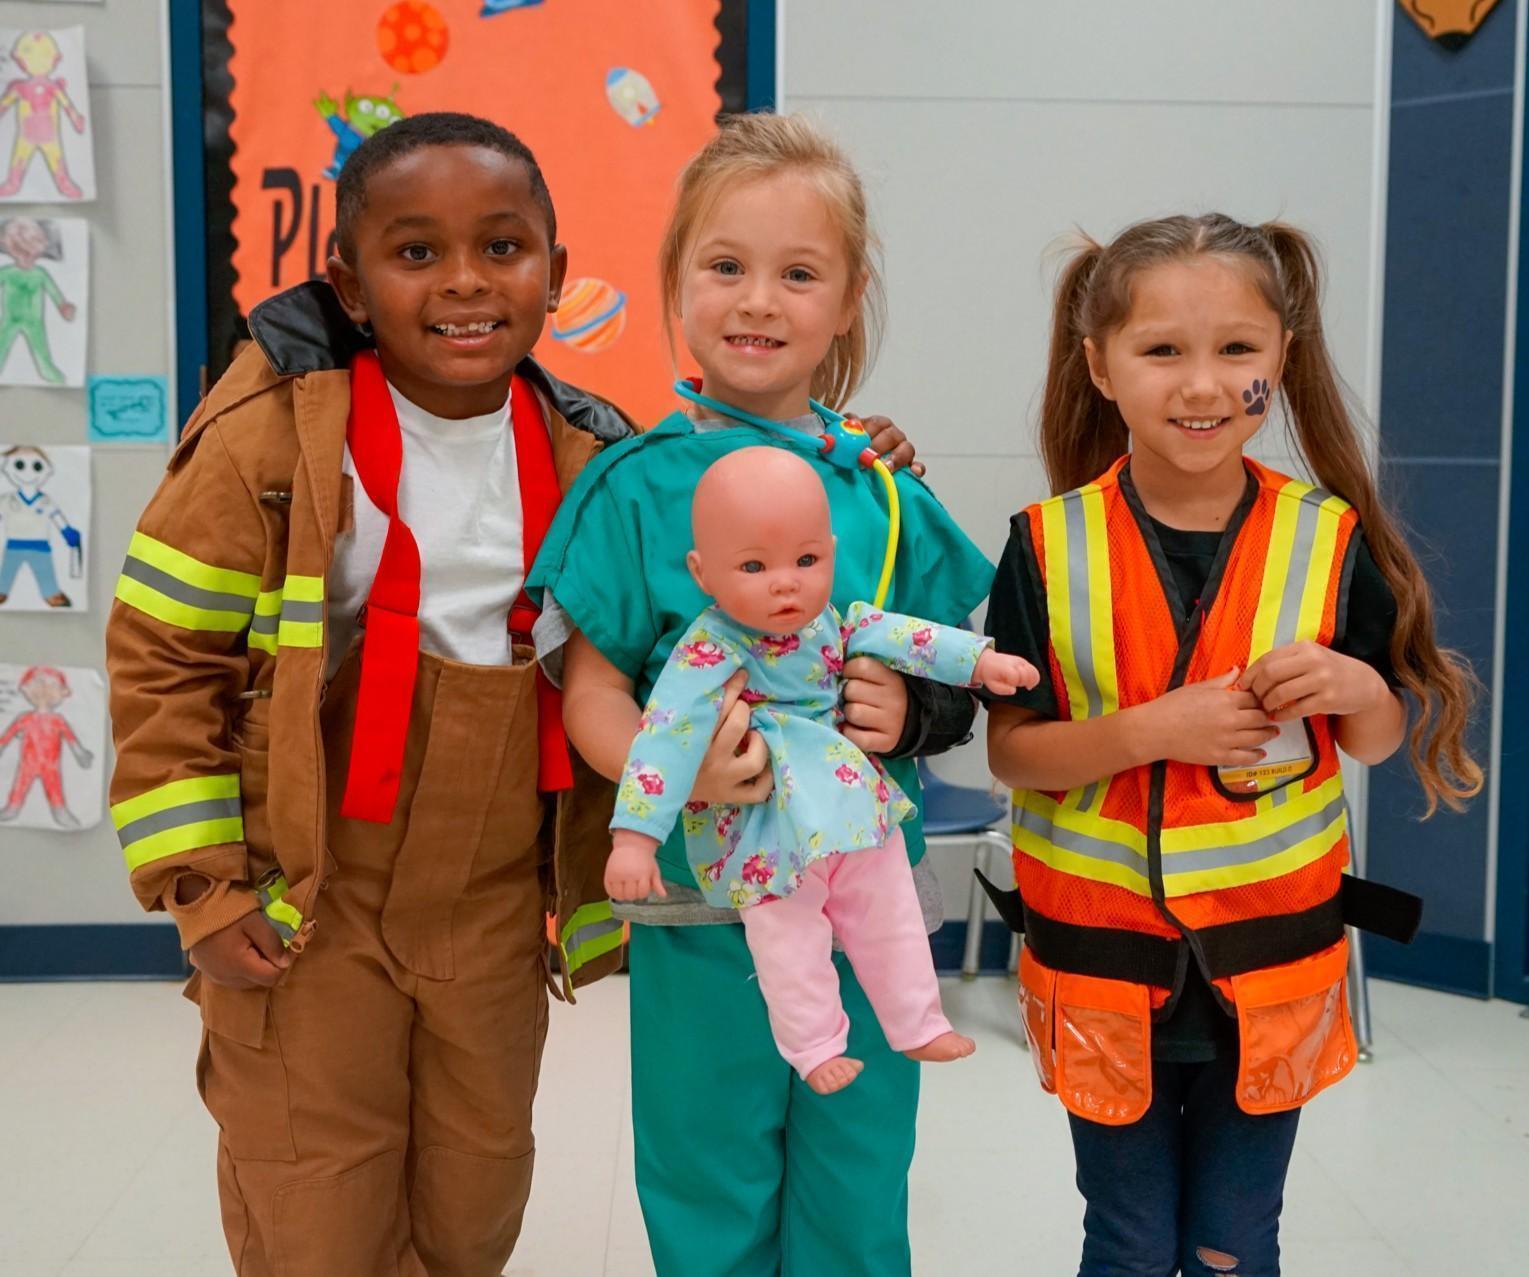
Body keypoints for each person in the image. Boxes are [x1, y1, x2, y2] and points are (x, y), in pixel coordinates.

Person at [106, 112, 641, 1277]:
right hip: (311, 893)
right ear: (347, 281)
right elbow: (165, 665)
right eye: (414, 253)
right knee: (315, 1200)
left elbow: (745, 553)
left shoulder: (597, 456)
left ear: (553, 265)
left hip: (493, 904)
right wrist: (206, 887)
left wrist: (856, 453)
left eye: (503, 248)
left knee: (476, 1185)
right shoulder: (266, 438)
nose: (463, 282)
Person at [528, 112, 993, 1276]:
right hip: (699, 919)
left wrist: (916, 712)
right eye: (724, 266)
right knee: (707, 1176)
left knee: (854, 1177)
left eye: (797, 274)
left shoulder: (881, 495)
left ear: (846, 301)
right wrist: (667, 760)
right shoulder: (635, 489)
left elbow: (949, 674)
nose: (757, 301)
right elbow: (588, 690)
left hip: (858, 907)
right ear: (676, 284)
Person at [984, 213, 1482, 1276]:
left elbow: (1375, 734)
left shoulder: (1328, 537)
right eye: (1160, 350)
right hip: (1101, 971)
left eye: (1236, 351)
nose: (1201, 384)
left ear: (1280, 361)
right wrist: (1140, 733)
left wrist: (1355, 686)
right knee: (1124, 1239)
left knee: (1231, 1242)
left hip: (1271, 970)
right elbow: (1010, 754)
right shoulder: (1044, 543)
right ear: (1099, 367)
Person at [606, 447, 1038, 1094]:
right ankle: (812, 1046)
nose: (786, 582)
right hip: (764, 831)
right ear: (701, 571)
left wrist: (980, 663)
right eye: (753, 565)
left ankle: (917, 1019)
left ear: (830, 552)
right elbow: (662, 739)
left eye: (806, 560)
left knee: (890, 909)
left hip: (853, 809)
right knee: (787, 942)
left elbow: (908, 636)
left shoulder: (832, 622)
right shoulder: (706, 651)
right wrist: (634, 835)